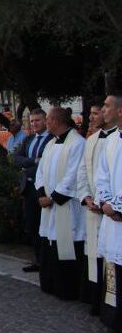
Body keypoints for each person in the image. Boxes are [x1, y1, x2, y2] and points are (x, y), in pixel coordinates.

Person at [35, 107, 86, 300]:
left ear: (56, 121)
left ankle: (68, 289)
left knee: (67, 244)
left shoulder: (77, 143)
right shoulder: (50, 144)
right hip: (49, 206)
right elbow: (40, 172)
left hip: (66, 206)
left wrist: (54, 197)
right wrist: (41, 193)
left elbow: (74, 175)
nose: (46, 122)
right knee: (50, 242)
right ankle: (50, 283)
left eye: (47, 119)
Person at [78, 96, 119, 316]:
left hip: (114, 211)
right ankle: (98, 302)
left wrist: (109, 203)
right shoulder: (92, 140)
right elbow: (83, 172)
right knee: (96, 256)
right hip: (95, 208)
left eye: (97, 112)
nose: (93, 117)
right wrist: (87, 197)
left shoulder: (117, 139)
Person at [11, 108, 52, 272]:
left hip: (44, 189)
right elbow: (15, 158)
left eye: (38, 120)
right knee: (32, 225)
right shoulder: (28, 139)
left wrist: (28, 165)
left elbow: (44, 165)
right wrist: (33, 161)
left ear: (45, 120)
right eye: (32, 121)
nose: (34, 124)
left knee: (46, 227)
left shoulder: (51, 140)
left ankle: (47, 262)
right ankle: (38, 260)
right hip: (27, 188)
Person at [95, 94, 122, 329]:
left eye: (106, 105)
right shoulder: (112, 140)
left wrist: (118, 206)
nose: (103, 109)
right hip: (112, 217)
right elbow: (102, 174)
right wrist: (105, 200)